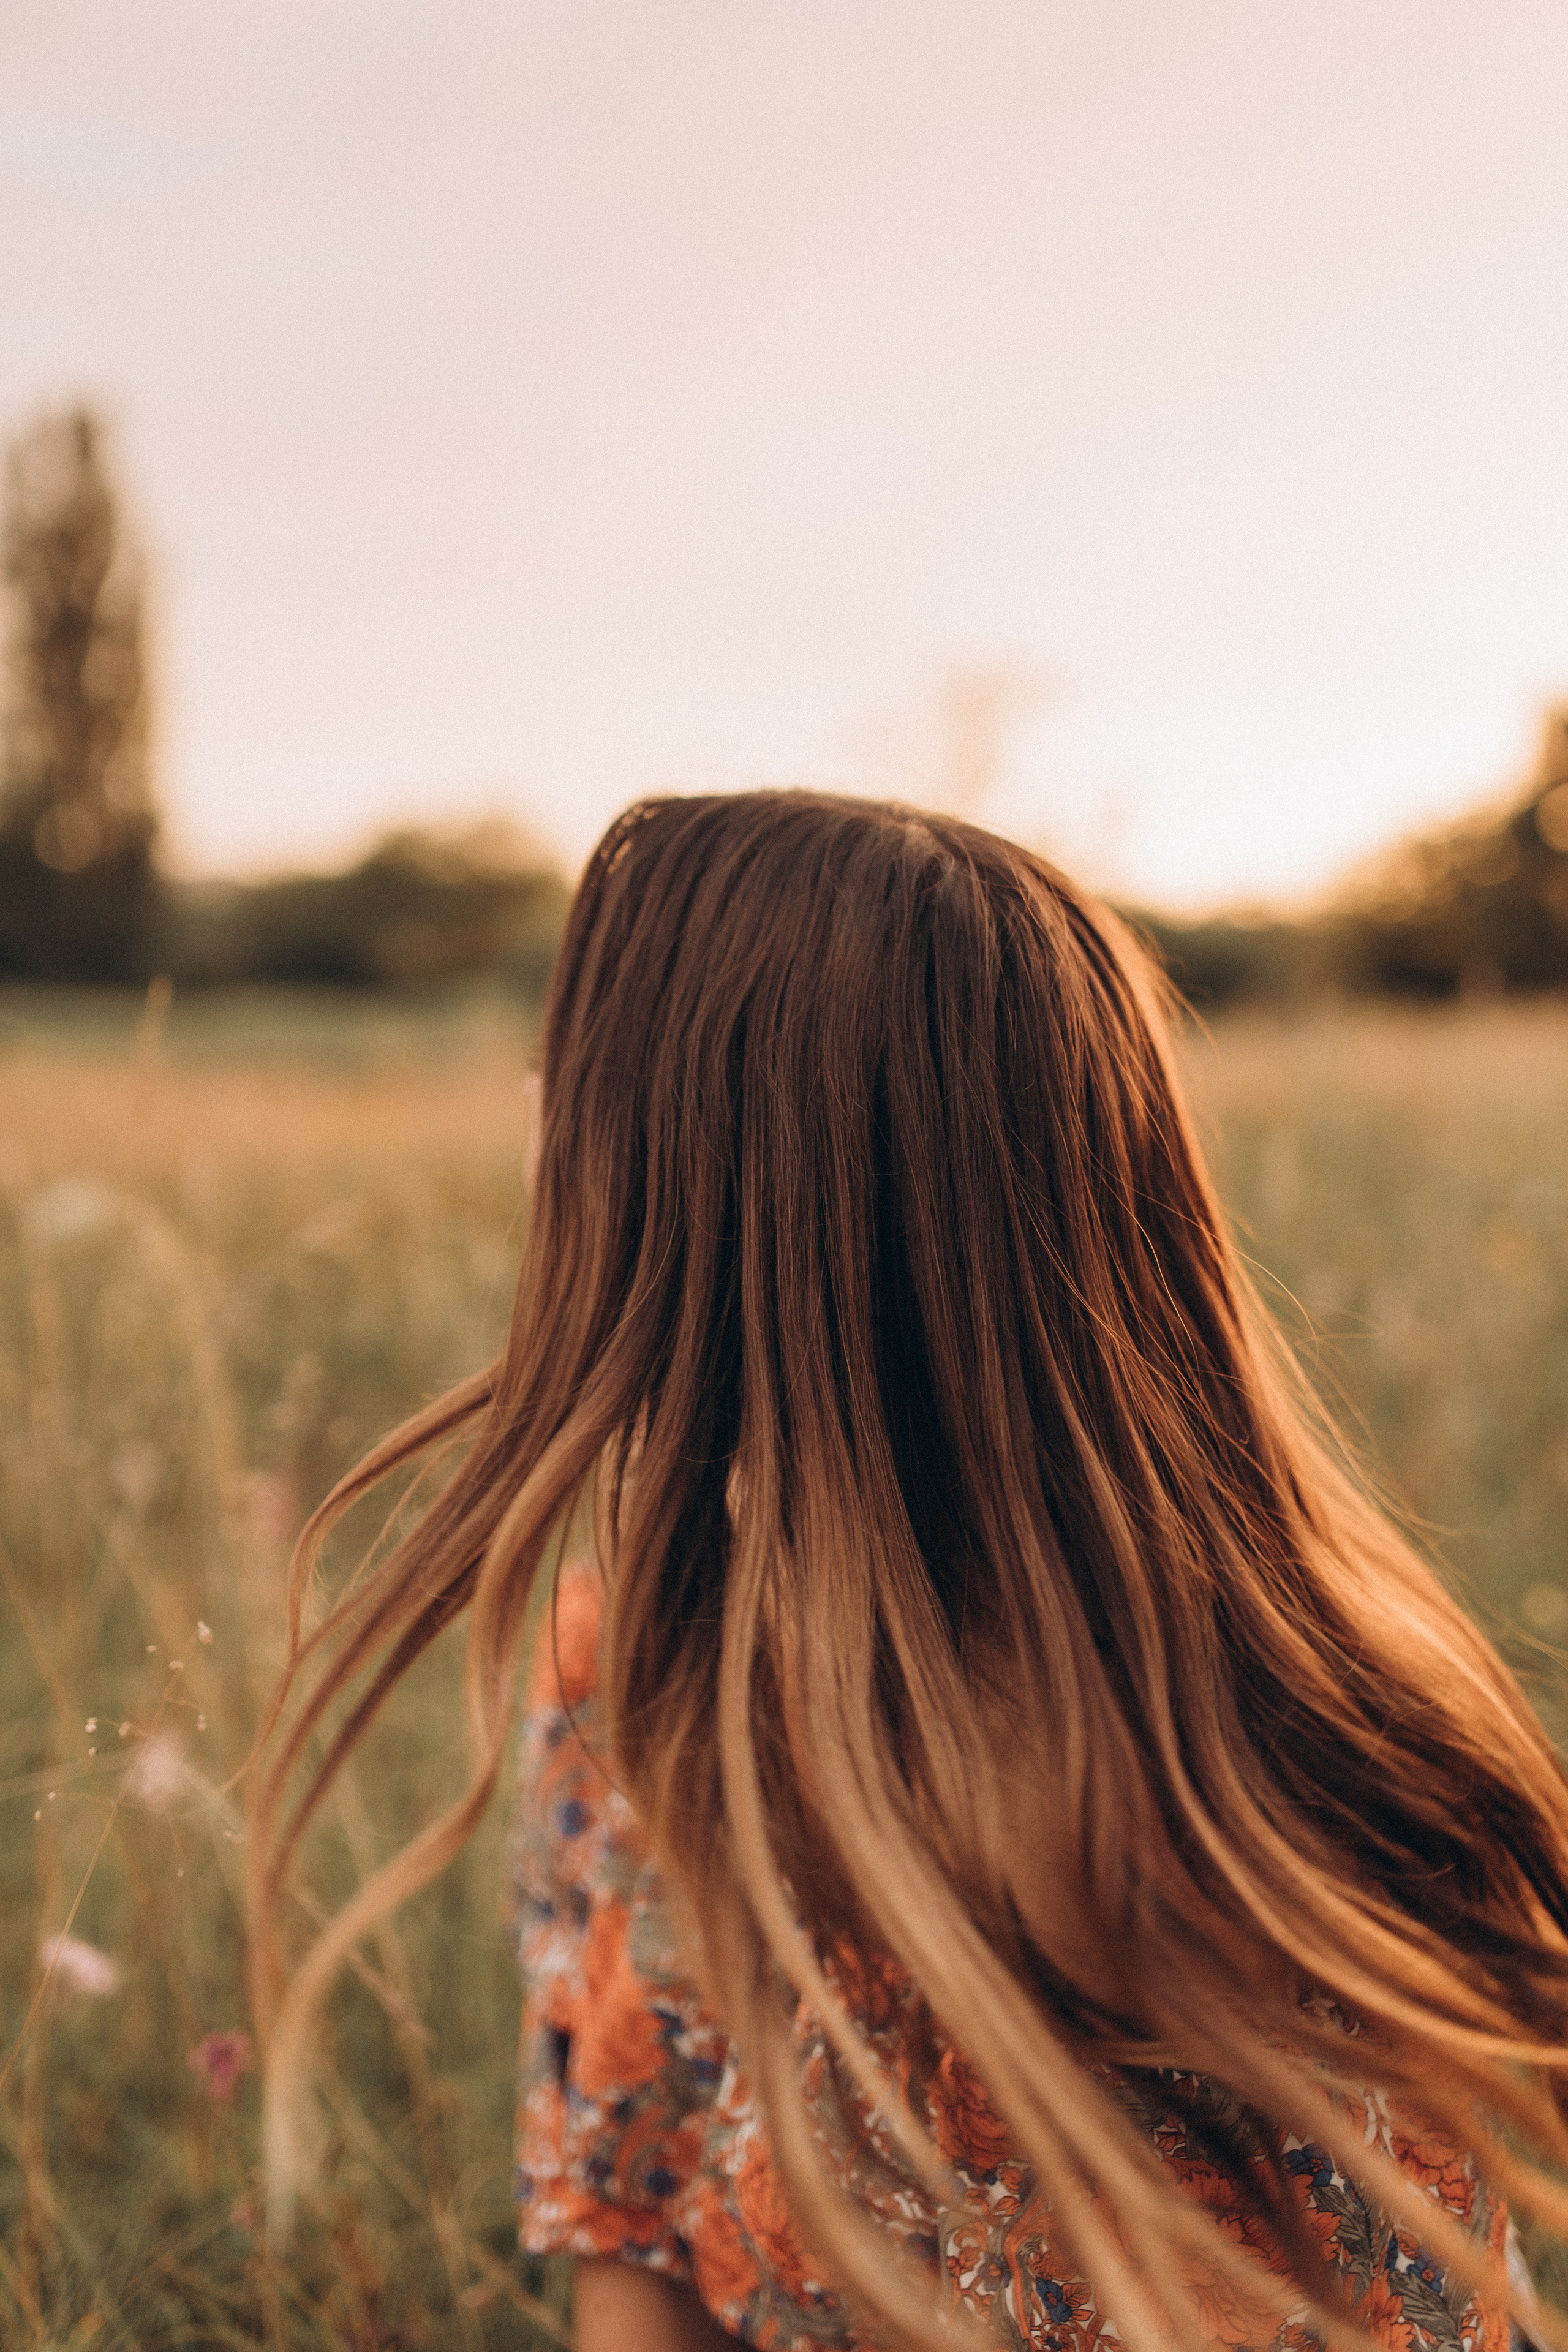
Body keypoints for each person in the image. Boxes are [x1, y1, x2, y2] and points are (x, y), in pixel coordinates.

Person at [252, 793, 1568, 2352]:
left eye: (571, 1075)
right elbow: (632, 2226)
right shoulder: (627, 1678)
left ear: (713, 1187)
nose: (532, 1113)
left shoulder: (1267, 1810)